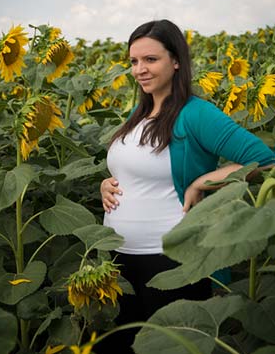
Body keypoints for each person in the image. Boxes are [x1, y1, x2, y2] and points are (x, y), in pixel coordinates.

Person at [98, 19, 275, 354]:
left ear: (175, 60)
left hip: (169, 260)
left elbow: (263, 159)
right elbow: (137, 170)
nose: (140, 69)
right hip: (118, 259)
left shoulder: (196, 114)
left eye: (151, 59)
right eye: (134, 61)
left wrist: (202, 181)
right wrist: (107, 183)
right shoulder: (141, 111)